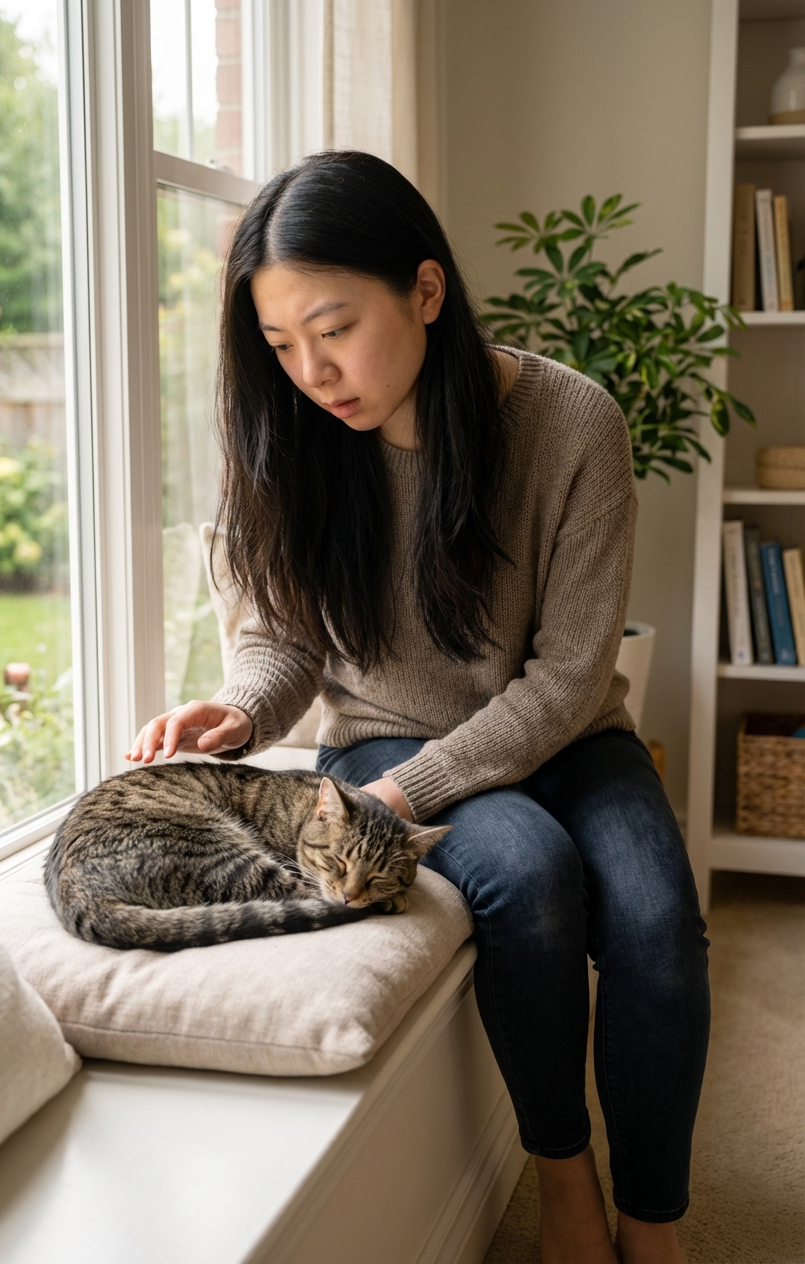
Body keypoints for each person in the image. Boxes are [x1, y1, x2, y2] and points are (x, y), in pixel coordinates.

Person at [127, 151, 710, 1264]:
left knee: (653, 918)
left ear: (427, 292)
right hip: (379, 735)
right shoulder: (291, 443)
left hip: (566, 732)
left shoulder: (569, 423)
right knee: (527, 875)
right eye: (280, 344)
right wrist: (239, 713)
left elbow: (568, 677)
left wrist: (410, 794)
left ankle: (653, 1221)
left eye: (333, 328)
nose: (310, 371)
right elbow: (285, 639)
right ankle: (562, 1182)